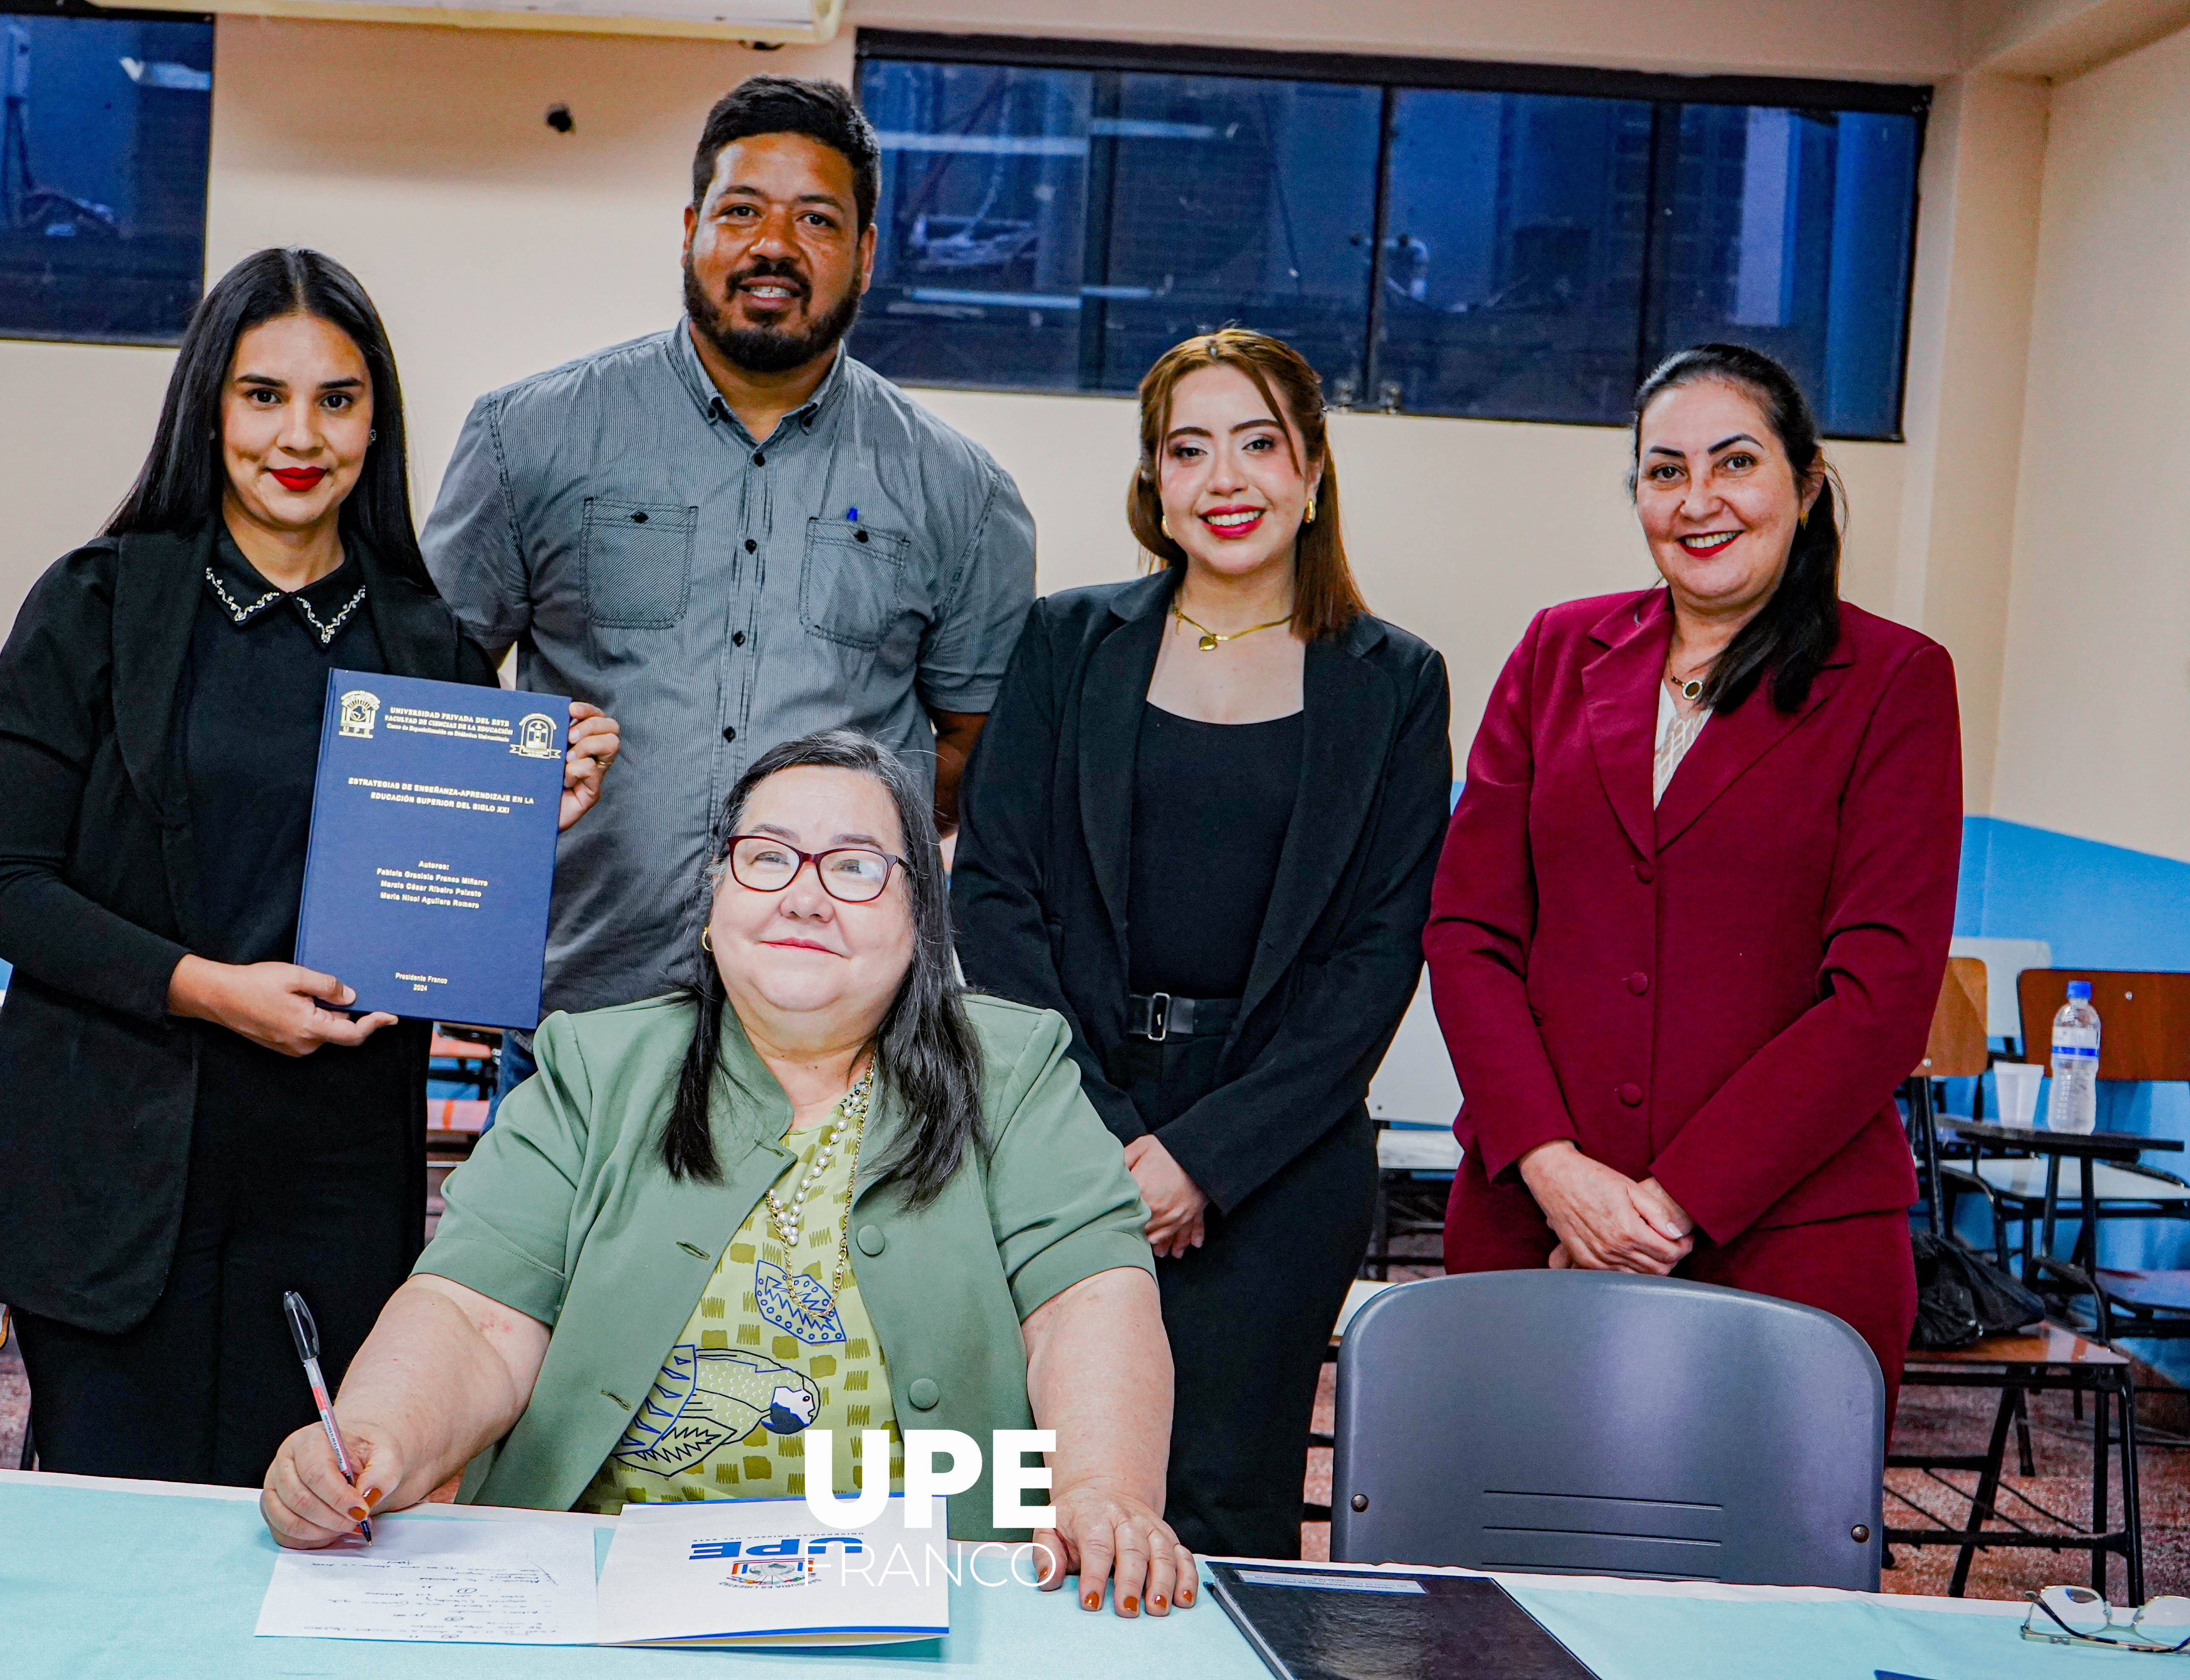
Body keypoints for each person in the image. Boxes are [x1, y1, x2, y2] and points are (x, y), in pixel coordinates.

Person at [261, 730, 1197, 1620]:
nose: (805, 896)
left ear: (920, 919)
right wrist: (374, 1437)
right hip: (603, 1582)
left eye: (856, 867)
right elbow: (476, 1316)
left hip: (930, 1587)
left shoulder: (1013, 1068)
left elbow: (1086, 1304)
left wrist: (1101, 1491)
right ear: (714, 905)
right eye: (768, 857)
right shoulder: (596, 1066)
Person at [0, 247, 621, 1485]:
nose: (300, 436)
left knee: (304, 1526)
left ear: (377, 420)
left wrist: (531, 822)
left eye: (338, 399)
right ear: (209, 408)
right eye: (264, 395)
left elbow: (438, 917)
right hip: (113, 1170)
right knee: (115, 1529)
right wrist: (211, 989)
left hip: (332, 1177)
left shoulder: (429, 644)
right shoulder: (95, 604)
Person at [950, 329, 1452, 1559]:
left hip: (1277, 1156)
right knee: (1037, 1497)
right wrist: (1108, 1140)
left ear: (1313, 472)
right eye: (1189, 450)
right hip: (1065, 1121)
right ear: (1155, 482)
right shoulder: (1067, 645)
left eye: (1258, 443)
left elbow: (1378, 954)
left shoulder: (1396, 682)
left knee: (1226, 1508)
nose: (1225, 479)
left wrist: (1203, 1163)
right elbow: (997, 899)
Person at [422, 75, 1036, 1019]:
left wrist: (846, 851)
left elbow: (969, 750)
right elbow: (433, 697)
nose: (773, 246)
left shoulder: (962, 492)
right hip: (580, 1010)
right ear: (690, 230)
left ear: (867, 253)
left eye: (816, 220)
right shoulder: (529, 438)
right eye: (741, 210)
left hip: (842, 1031)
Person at [1426, 343, 1961, 1419]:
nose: (1698, 499)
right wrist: (1555, 1171)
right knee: (1510, 1514)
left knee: (1758, 1528)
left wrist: (1666, 1208)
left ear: (1807, 484)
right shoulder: (1555, 651)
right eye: (1665, 470)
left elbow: (1881, 995)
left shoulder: (1896, 681)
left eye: (1736, 462)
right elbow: (1468, 931)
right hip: (1535, 1220)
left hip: (1789, 1241)